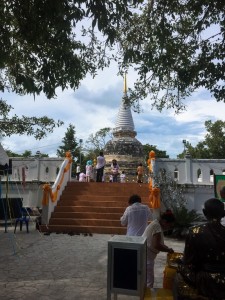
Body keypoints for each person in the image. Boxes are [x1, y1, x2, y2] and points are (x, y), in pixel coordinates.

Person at [178, 198, 225, 300]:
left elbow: (188, 261)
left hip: (204, 279)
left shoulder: (195, 232)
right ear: (223, 214)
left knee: (180, 267)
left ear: (204, 212)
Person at [142, 210, 175, 288]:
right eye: (169, 225)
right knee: (149, 283)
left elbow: (158, 243)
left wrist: (165, 247)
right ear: (164, 221)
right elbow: (156, 245)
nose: (168, 228)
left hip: (146, 256)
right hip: (147, 257)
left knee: (147, 281)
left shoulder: (156, 224)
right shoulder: (157, 226)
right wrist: (168, 250)